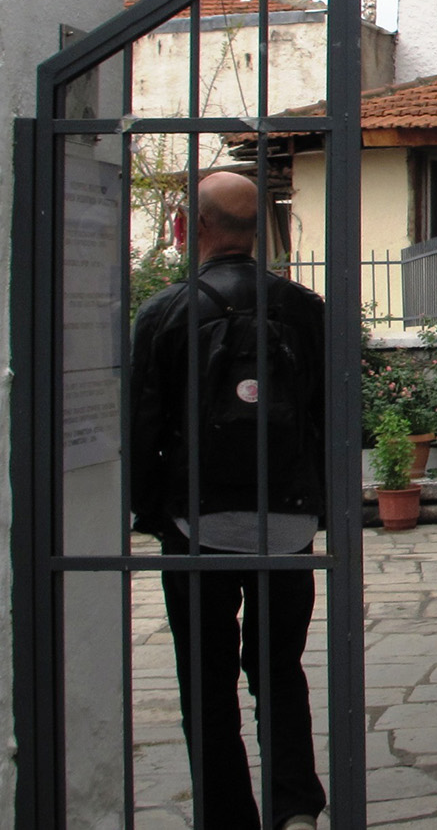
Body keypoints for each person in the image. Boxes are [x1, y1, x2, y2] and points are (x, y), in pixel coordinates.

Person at [131, 171, 326, 830]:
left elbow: (143, 427)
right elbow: (329, 416)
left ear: (198, 227)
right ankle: (294, 805)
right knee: (279, 673)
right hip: (288, 521)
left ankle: (226, 816)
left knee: (206, 684)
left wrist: (153, 517)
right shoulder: (303, 309)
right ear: (260, 229)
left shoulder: (164, 312)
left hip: (199, 524)